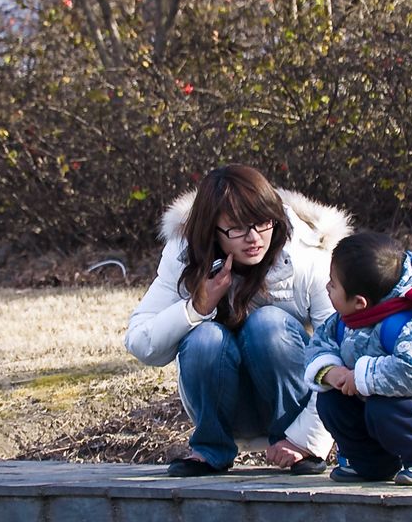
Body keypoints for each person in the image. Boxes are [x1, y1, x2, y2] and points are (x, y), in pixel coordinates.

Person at [124, 165, 352, 477]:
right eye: (237, 229)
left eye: (262, 223)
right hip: (225, 407)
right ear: (211, 229)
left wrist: (307, 438)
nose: (254, 238)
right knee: (205, 337)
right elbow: (140, 343)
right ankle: (210, 449)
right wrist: (196, 307)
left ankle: (294, 448)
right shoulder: (184, 254)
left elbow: (342, 350)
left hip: (291, 404)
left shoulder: (307, 256)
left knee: (268, 324)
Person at [305, 231, 412, 485]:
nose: (327, 287)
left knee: (383, 407)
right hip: (377, 400)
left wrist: (360, 376)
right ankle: (371, 462)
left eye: (333, 283)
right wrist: (330, 371)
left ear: (360, 302)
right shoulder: (343, 321)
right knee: (331, 401)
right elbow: (318, 345)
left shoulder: (409, 322)